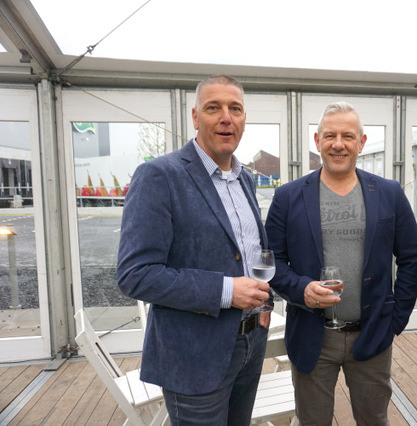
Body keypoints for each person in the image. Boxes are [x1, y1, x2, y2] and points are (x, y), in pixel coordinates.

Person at [117, 75, 272, 425]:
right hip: (194, 356)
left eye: (235, 109)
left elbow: (250, 253)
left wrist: (264, 304)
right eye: (213, 108)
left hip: (251, 342)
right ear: (195, 117)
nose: (226, 118)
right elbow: (135, 275)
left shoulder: (245, 179)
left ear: (244, 118)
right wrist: (227, 290)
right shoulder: (159, 175)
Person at [265, 101, 417, 425]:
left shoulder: (390, 193)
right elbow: (272, 262)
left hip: (373, 334)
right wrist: (301, 289)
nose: (338, 144)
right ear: (317, 141)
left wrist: (396, 320)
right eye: (330, 135)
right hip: (312, 336)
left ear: (361, 143)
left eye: (348, 136)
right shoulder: (287, 197)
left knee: (374, 421)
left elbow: (411, 257)